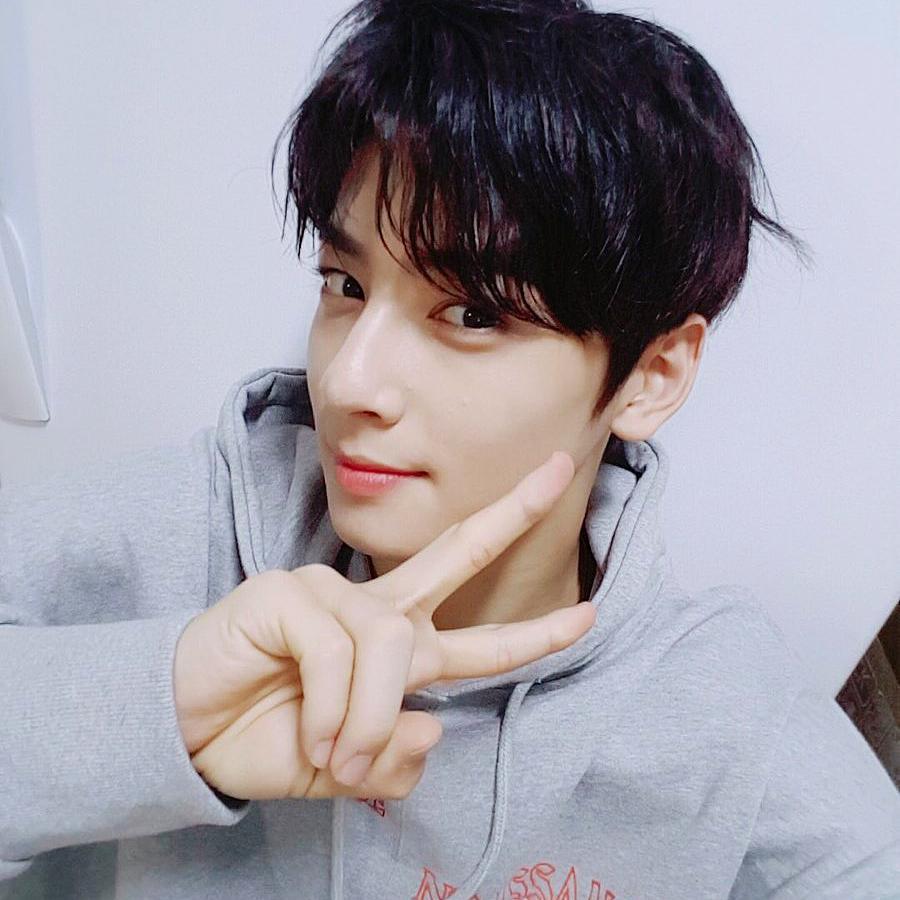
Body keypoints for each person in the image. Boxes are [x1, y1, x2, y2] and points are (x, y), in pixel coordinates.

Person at [1, 0, 898, 897]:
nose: (349, 381)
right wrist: (162, 708)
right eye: (345, 284)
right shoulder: (195, 529)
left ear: (650, 376)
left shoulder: (726, 710)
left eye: (471, 313)